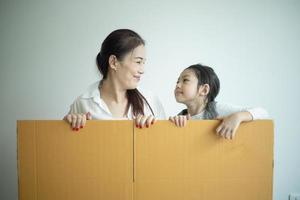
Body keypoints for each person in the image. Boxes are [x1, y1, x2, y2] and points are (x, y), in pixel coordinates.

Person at [64, 29, 165, 131]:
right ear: (113, 62)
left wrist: (153, 131)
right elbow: (66, 143)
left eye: (143, 63)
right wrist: (68, 125)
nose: (142, 70)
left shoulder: (151, 101)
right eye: (138, 62)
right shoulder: (83, 104)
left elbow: (166, 143)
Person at [169, 64, 269, 139]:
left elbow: (263, 113)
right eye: (177, 81)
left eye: (185, 80)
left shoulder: (217, 109)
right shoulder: (180, 117)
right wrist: (173, 126)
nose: (178, 85)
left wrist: (237, 117)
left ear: (204, 90)